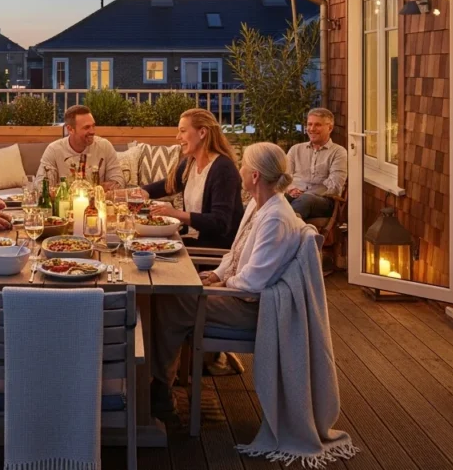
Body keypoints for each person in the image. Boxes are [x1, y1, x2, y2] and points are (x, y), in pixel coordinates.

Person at [149, 142, 304, 418]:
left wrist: (217, 285)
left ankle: (159, 387)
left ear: (254, 176)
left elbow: (253, 283)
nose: (239, 169)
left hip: (252, 308)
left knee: (169, 300)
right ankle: (158, 380)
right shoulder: (259, 206)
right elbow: (235, 253)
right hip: (237, 293)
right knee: (168, 294)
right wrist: (216, 274)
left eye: (243, 164)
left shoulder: (275, 219)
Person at [142, 108, 242, 249]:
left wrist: (176, 214)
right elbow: (168, 185)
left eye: (183, 131)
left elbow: (220, 222)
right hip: (189, 240)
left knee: (148, 250)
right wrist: (141, 192)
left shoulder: (223, 169)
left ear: (202, 132)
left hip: (211, 249)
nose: (178, 137)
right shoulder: (191, 163)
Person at [37, 105, 124, 190]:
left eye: (93, 126)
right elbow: (41, 185)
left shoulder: (105, 146)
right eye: (86, 127)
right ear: (70, 129)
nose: (92, 131)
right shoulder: (54, 150)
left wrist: (91, 190)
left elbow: (118, 182)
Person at [286, 108, 348, 220]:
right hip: (294, 195)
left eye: (317, 125)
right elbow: (284, 177)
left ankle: (282, 231)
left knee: (305, 199)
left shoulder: (338, 152)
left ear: (330, 128)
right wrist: (291, 188)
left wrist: (308, 189)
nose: (312, 129)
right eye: (309, 124)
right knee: (271, 198)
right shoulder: (296, 149)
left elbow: (335, 187)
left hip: (322, 201)